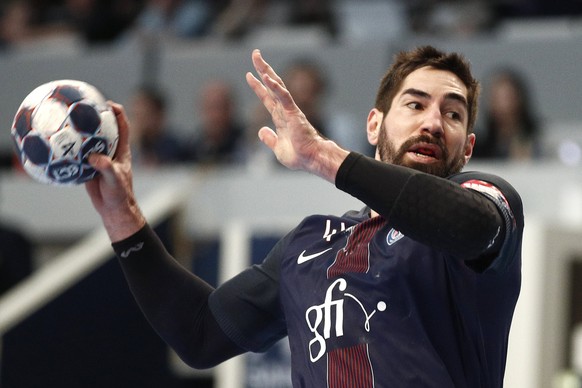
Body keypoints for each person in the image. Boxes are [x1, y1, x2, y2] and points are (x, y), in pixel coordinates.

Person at [85, 46, 524, 387]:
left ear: (466, 148)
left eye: (452, 113)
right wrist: (123, 218)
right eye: (415, 105)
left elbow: (470, 226)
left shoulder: (483, 198)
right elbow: (201, 332)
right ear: (374, 125)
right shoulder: (309, 245)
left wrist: (324, 157)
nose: (432, 122)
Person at [472, 67, 541, 160]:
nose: (502, 105)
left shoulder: (538, 140)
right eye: (495, 98)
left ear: (519, 99)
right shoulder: (479, 146)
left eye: (506, 98)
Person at [183, 79, 246, 166]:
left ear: (230, 108)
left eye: (220, 107)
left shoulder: (246, 142)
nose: (215, 115)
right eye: (210, 108)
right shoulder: (191, 146)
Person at [127, 84, 186, 167]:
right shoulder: (126, 145)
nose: (138, 123)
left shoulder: (175, 148)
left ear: (159, 116)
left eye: (144, 116)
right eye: (134, 115)